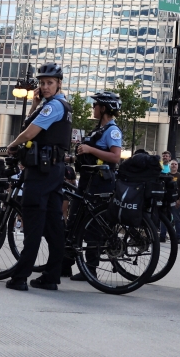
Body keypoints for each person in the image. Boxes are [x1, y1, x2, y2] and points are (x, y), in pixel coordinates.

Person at [3, 63, 71, 292]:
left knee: (32, 223)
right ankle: (51, 277)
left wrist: (12, 145)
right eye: (42, 83)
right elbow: (33, 122)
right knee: (53, 226)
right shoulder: (56, 105)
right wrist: (34, 103)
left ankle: (20, 277)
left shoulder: (54, 106)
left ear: (59, 83)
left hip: (42, 173)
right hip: (53, 170)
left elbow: (31, 131)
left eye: (49, 82)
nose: (45, 86)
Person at [68, 91, 123, 280]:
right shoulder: (98, 129)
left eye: (95, 105)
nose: (93, 108)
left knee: (92, 226)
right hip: (87, 181)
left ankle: (90, 269)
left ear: (104, 108)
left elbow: (115, 157)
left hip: (100, 183)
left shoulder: (112, 131)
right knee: (74, 221)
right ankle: (65, 265)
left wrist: (90, 149)